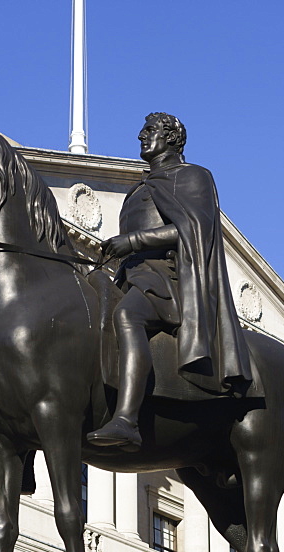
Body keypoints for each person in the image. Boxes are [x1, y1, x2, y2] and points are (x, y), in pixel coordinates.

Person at [87, 112, 252, 451]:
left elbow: (195, 229)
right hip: (133, 277)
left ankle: (127, 421)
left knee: (127, 316)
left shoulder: (192, 176)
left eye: (149, 130)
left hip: (169, 280)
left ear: (173, 138)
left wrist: (131, 242)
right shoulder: (141, 187)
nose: (140, 136)